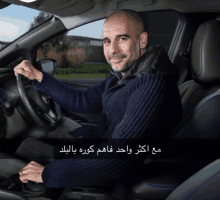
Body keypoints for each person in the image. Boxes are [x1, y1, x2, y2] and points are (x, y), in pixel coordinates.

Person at [13, 9, 182, 188]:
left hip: (112, 171)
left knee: (25, 151)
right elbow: (83, 100)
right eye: (107, 41)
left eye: (122, 38)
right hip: (98, 146)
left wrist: (47, 174)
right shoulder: (125, 73)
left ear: (142, 40)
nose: (113, 50)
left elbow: (117, 159)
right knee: (32, 143)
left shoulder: (152, 85)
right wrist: (39, 77)